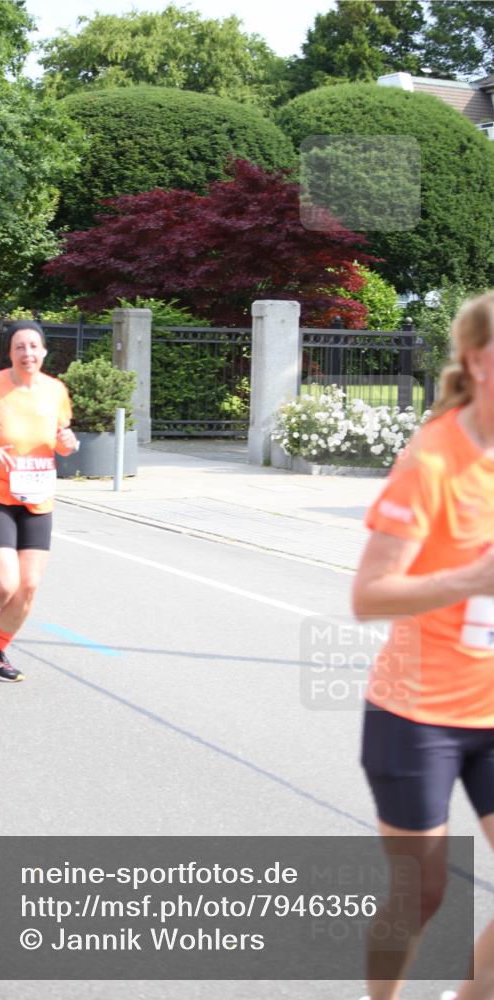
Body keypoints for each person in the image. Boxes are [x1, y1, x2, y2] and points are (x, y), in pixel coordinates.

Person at [352, 292, 494, 1000]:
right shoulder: (433, 460)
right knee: (422, 893)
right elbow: (368, 595)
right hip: (416, 716)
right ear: (476, 357)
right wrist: (471, 577)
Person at [0, 320, 78, 681]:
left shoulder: (56, 391)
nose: (27, 353)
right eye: (19, 347)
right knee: (4, 584)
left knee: (27, 587)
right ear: (10, 353)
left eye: (33, 347)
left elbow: (61, 437)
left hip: (38, 499)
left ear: (43, 351)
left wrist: (68, 445)